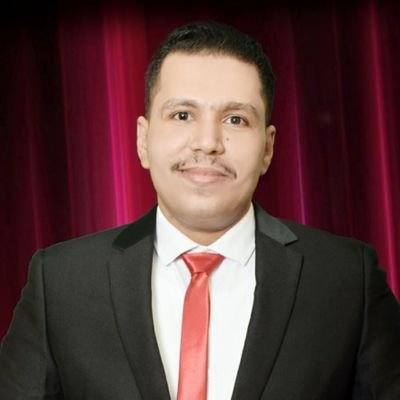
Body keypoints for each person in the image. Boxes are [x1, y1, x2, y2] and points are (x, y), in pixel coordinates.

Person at [1, 20, 400, 400]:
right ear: (143, 140)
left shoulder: (347, 279)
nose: (208, 142)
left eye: (235, 119)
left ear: (267, 148)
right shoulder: (61, 281)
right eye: (182, 115)